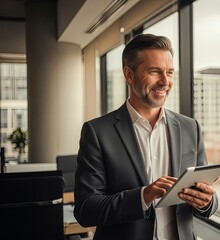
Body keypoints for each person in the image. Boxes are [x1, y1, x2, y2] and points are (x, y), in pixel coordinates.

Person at [74, 34, 218, 240]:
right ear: (129, 75)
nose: (165, 81)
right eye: (155, 71)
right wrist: (144, 196)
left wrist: (207, 202)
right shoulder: (97, 132)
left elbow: (206, 196)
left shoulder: (190, 127)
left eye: (169, 72)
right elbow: (86, 209)